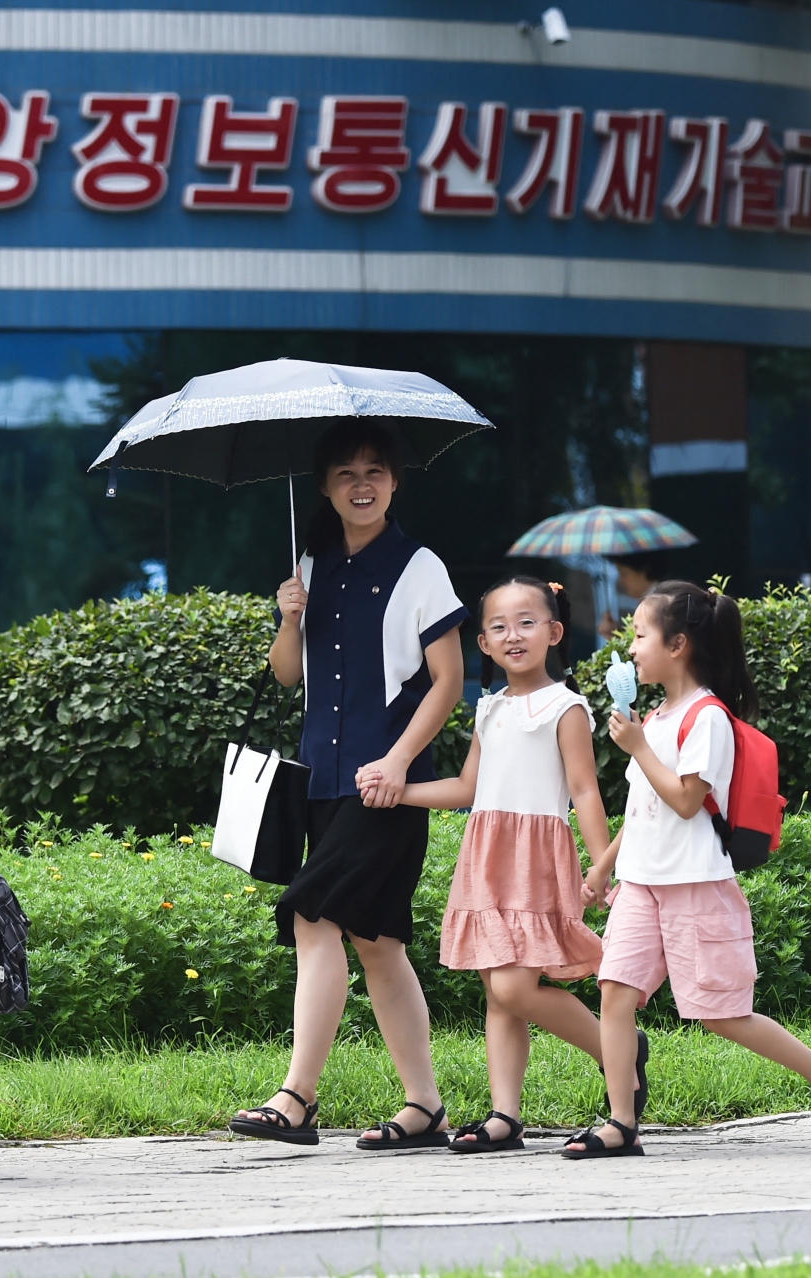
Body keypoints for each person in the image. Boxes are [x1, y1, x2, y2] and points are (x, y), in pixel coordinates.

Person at [229, 421, 466, 1151]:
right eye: (344, 474)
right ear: (327, 488)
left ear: (394, 482)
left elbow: (449, 681)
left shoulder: (420, 566)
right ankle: (424, 1106)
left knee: (310, 917)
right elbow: (286, 674)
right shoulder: (313, 561)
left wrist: (397, 762)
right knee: (378, 943)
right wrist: (286, 618)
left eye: (374, 471)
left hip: (387, 787)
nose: (360, 484)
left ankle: (297, 1096)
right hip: (323, 785)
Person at [564, 580, 811, 1158]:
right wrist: (602, 869)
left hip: (695, 886)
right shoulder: (653, 716)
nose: (631, 649)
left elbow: (684, 798)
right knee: (615, 993)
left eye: (640, 636)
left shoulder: (708, 720)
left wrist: (638, 750)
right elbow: (644, 810)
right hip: (641, 883)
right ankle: (621, 1122)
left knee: (722, 1014)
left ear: (677, 645)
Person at [382, 577, 648, 1152]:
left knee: (514, 987)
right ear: (482, 643)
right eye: (499, 626)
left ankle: (618, 1049)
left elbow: (585, 792)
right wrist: (396, 788)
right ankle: (505, 1115)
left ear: (554, 632)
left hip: (535, 858)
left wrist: (601, 866)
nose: (514, 635)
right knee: (497, 989)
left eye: (527, 622)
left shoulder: (566, 706)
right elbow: (466, 788)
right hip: (487, 856)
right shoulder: (490, 708)